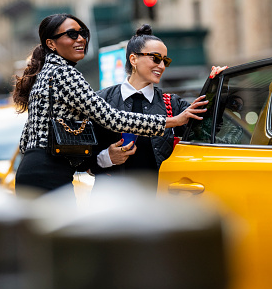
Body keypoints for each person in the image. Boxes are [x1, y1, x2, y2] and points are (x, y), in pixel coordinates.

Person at [12, 14, 209, 193]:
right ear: (51, 43)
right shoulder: (64, 73)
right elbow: (111, 118)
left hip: (38, 170)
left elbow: (25, 139)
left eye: (83, 33)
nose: (80, 39)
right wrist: (172, 121)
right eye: (72, 34)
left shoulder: (48, 73)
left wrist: (214, 84)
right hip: (50, 174)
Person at [90, 24, 227, 190]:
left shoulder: (172, 104)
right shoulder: (100, 100)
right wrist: (108, 157)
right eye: (155, 58)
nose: (161, 66)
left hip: (158, 202)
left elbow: (207, 131)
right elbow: (81, 158)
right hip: (111, 203)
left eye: (165, 60)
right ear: (133, 59)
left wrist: (218, 87)